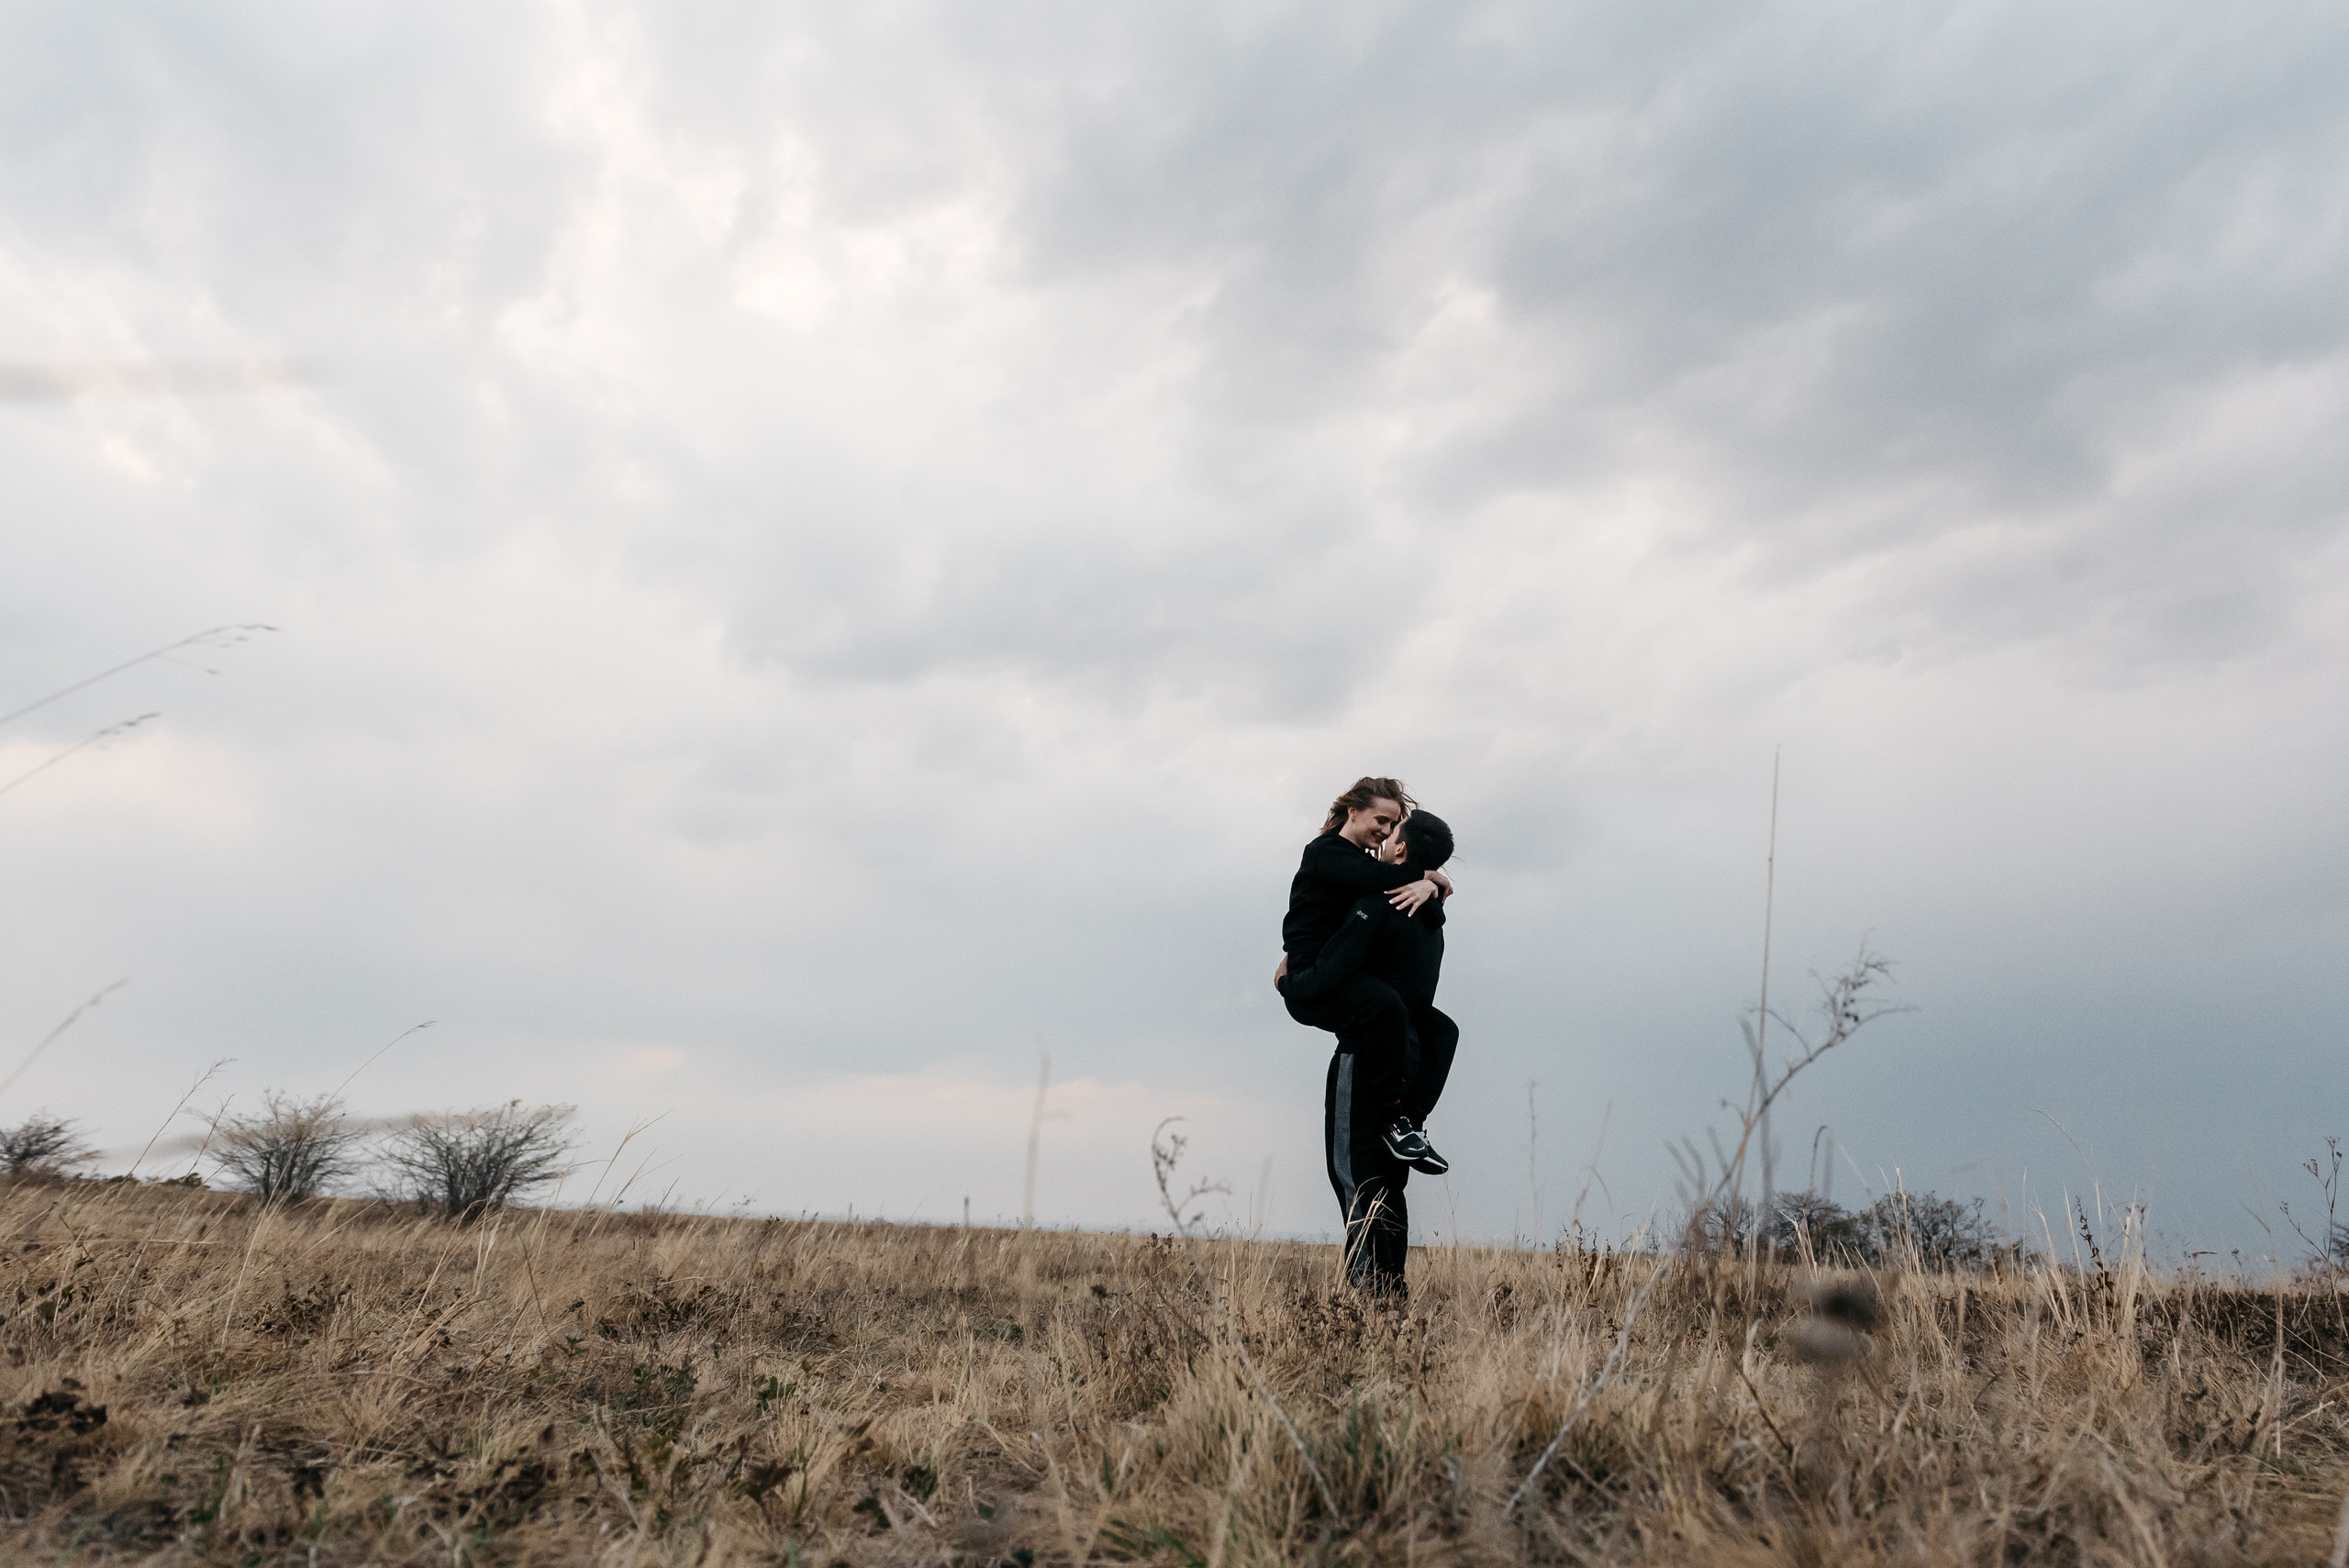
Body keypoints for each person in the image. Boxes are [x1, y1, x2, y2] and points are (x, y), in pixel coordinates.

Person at [1275, 778, 1453, 1296]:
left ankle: (1368, 1294)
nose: (1383, 829)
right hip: (1343, 984)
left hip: (1337, 993)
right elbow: (1377, 876)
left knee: (1358, 1174)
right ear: (1351, 812)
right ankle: (1386, 1287)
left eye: (1391, 825)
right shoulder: (1328, 853)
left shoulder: (1382, 899)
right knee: (1383, 1179)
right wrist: (1433, 881)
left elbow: (1378, 892)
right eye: (1379, 818)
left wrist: (1292, 985)